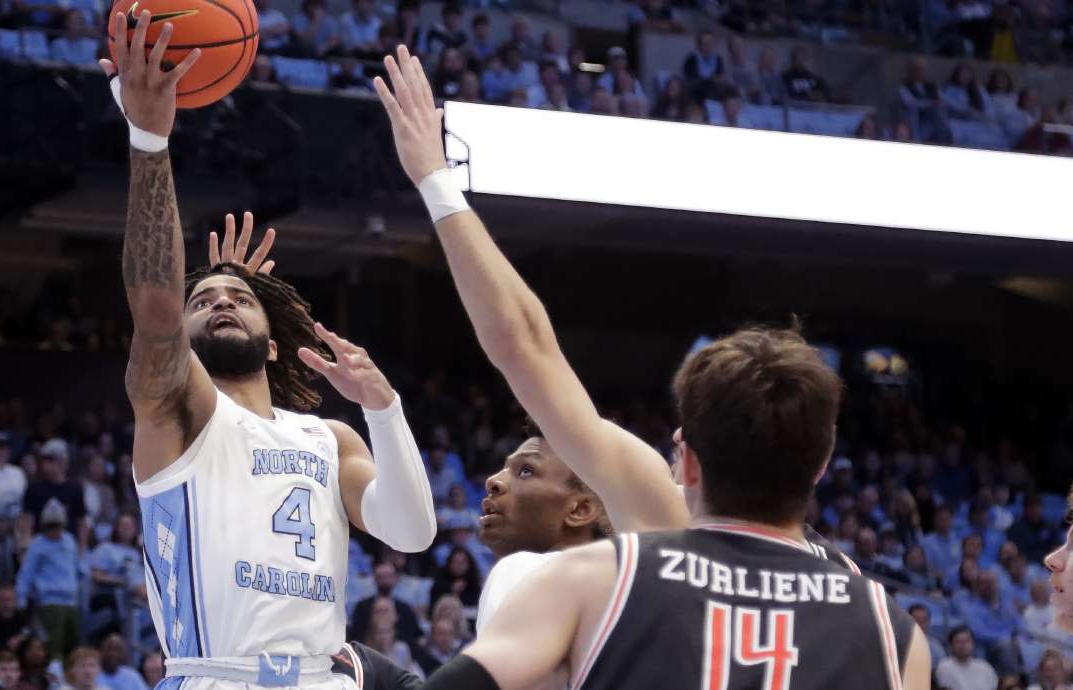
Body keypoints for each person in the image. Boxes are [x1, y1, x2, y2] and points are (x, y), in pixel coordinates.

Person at [375, 48, 929, 690]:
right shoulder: (893, 632)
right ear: (823, 463)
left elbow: (524, 346)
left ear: (686, 460)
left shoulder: (619, 568)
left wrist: (434, 178)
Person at [100, 16, 437, 690]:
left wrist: (385, 409)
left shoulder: (328, 437)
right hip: (217, 677)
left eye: (239, 299)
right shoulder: (179, 415)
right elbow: (157, 309)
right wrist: (149, 140)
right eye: (204, 303)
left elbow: (410, 533)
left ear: (275, 342)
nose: (222, 303)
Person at [14, 501, 79, 661]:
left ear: (63, 525)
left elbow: (76, 567)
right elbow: (26, 574)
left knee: (73, 646)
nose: (54, 530)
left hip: (71, 601)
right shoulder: (37, 545)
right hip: (50, 602)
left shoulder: (70, 541)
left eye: (57, 526)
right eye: (50, 526)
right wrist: (21, 600)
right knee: (54, 645)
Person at [349, 563, 422, 646]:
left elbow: (415, 635)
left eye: (388, 576)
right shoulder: (362, 607)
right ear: (375, 579)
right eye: (381, 577)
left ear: (396, 578)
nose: (385, 581)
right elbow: (356, 635)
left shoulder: (405, 608)